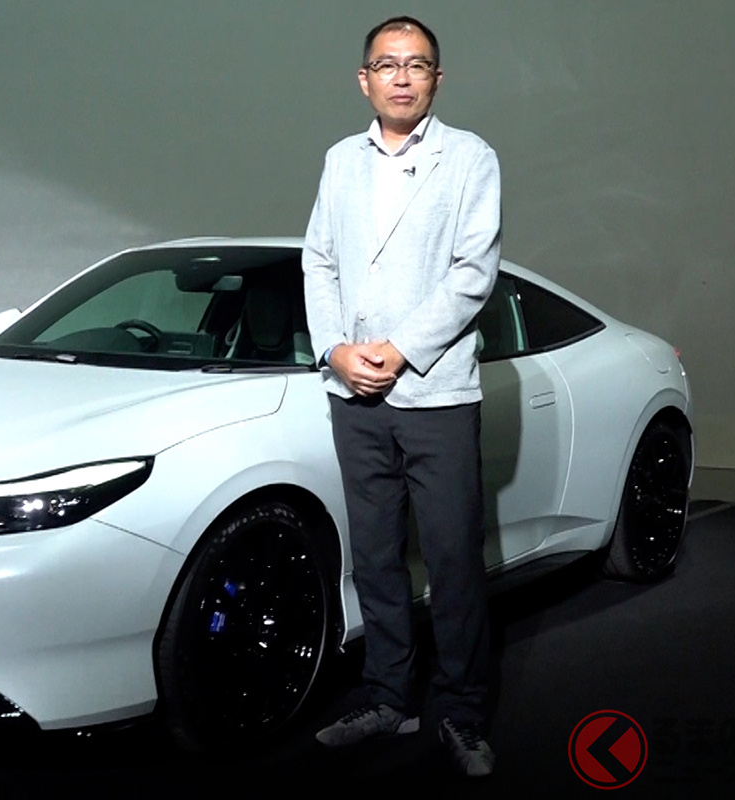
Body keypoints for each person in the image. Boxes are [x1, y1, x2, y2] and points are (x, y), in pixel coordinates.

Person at [301, 15, 501, 778]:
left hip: (436, 392)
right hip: (353, 393)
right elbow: (319, 261)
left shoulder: (470, 157)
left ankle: (460, 712)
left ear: (437, 79)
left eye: (417, 65)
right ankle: (386, 696)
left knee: (452, 560)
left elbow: (473, 274)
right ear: (365, 80)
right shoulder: (340, 160)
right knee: (376, 557)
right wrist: (335, 349)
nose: (402, 77)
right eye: (388, 64)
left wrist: (399, 349)